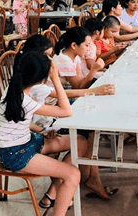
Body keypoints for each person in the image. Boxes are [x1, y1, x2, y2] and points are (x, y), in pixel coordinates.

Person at [15, 35, 117, 205]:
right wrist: (95, 90)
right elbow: (64, 97)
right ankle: (63, 186)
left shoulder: (29, 76)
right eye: (47, 56)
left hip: (41, 123)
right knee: (85, 133)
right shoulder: (34, 83)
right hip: (40, 125)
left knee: (87, 128)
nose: (51, 60)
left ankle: (84, 179)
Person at [0, 50, 79, 216]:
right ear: (41, 79)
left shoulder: (15, 88)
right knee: (73, 174)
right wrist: (55, 78)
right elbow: (66, 111)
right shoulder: (24, 99)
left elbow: (17, 121)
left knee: (80, 142)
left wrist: (41, 130)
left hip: (24, 142)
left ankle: (55, 190)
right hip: (14, 153)